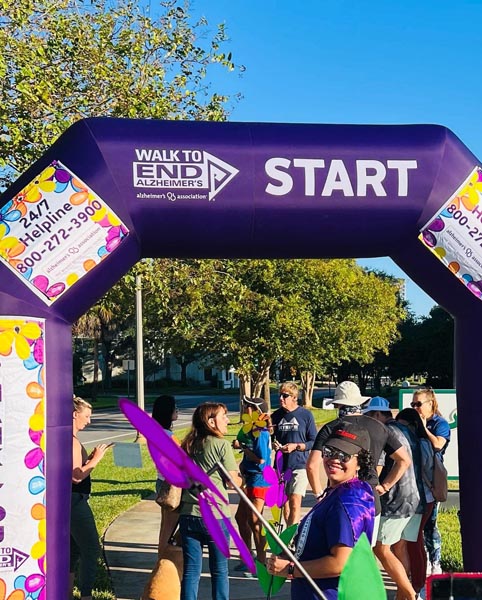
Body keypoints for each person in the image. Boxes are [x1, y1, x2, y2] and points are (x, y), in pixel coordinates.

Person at [266, 422, 375, 600]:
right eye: (330, 451)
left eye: (344, 455)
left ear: (360, 462)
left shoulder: (347, 502)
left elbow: (341, 563)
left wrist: (291, 568)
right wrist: (292, 554)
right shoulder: (341, 491)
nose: (334, 459)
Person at [306, 382, 411, 541]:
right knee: (363, 557)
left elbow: (312, 465)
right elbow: (404, 460)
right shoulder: (379, 427)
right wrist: (385, 486)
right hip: (370, 499)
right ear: (360, 402)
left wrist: (319, 495)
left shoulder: (331, 428)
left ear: (338, 404)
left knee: (337, 556)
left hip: (339, 499)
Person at [179, 402, 242, 600]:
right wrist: (241, 478)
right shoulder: (221, 445)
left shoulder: (188, 444)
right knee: (220, 570)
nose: (228, 420)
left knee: (191, 571)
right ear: (211, 421)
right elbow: (233, 482)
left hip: (188, 514)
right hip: (215, 516)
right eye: (224, 416)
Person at [364, 397, 422, 600]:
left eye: (370, 416)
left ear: (379, 414)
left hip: (396, 499)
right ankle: (403, 595)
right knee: (398, 546)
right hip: (413, 496)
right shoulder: (404, 429)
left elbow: (395, 464)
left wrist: (383, 485)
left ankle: (409, 594)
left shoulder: (385, 432)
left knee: (381, 548)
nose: (369, 421)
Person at [70, 396, 112, 600]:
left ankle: (66, 592)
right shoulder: (72, 441)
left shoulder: (69, 440)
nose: (89, 421)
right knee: (91, 549)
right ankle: (86, 594)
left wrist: (88, 459)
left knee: (73, 550)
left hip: (70, 501)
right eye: (86, 416)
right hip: (75, 502)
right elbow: (76, 476)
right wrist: (95, 460)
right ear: (74, 414)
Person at [410, 387, 450, 576]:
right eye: (412, 404)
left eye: (418, 404)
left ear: (430, 404)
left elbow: (438, 444)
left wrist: (424, 428)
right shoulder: (412, 422)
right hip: (413, 480)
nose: (415, 408)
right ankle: (421, 560)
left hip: (432, 481)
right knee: (415, 524)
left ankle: (435, 561)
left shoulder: (439, 423)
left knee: (430, 525)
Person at [396, 407, 435, 597]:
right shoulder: (418, 442)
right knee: (411, 542)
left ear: (413, 425)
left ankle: (417, 586)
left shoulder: (421, 443)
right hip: (417, 498)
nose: (401, 430)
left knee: (413, 543)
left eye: (403, 426)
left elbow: (425, 468)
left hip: (423, 497)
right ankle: (414, 585)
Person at [271, 381, 317, 526]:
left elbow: (314, 441)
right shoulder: (276, 416)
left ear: (294, 397)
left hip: (299, 465)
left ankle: (291, 540)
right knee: (284, 506)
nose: (281, 399)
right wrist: (274, 444)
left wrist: (296, 446)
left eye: (285, 396)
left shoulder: (305, 415)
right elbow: (271, 438)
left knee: (295, 503)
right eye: (280, 395)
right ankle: (288, 536)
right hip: (281, 466)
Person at [233, 396, 272, 569]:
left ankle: (262, 562)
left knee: (255, 522)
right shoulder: (250, 430)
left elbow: (261, 460)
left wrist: (243, 448)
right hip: (249, 478)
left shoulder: (262, 433)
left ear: (257, 412)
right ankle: (247, 557)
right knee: (241, 517)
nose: (244, 409)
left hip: (259, 479)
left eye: (248, 407)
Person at [152, 394, 180, 556]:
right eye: (174, 407)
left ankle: (162, 556)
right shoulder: (168, 436)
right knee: (169, 528)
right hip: (171, 485)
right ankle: (162, 558)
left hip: (161, 481)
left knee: (166, 526)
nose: (177, 410)